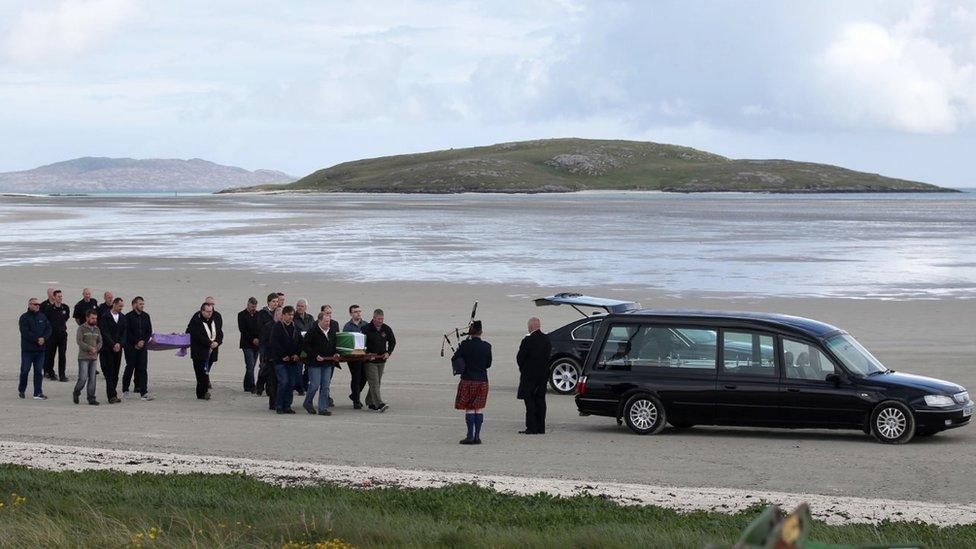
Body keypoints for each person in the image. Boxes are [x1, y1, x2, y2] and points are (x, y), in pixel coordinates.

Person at [453, 321, 491, 445]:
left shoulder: (465, 345)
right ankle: (477, 436)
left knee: (469, 408)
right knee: (478, 408)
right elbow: (488, 364)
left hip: (468, 379)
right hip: (482, 380)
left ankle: (470, 436)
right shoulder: (487, 346)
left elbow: (455, 358)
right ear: (481, 332)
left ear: (471, 332)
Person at [517, 317, 552, 435]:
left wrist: (524, 370)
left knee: (530, 401)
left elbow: (520, 358)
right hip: (543, 376)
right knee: (541, 400)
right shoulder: (547, 339)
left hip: (529, 376)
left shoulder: (527, 340)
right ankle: (541, 427)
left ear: (531, 326)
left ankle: (531, 427)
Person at [303, 310, 340, 415]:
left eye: (329, 321)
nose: (327, 323)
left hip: (328, 362)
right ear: (319, 321)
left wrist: (336, 353)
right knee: (314, 385)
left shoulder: (332, 331)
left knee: (326, 386)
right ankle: (307, 402)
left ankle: (322, 408)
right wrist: (315, 356)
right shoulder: (312, 331)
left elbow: (334, 346)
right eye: (325, 321)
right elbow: (305, 345)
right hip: (315, 363)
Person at [270, 305, 302, 414]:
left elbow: (300, 342)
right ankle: (279, 405)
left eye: (292, 315)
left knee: (291, 383)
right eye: (289, 315)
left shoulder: (295, 327)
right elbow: (274, 343)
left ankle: (287, 406)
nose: (291, 317)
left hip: (293, 361)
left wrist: (297, 354)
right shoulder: (277, 327)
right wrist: (283, 355)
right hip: (280, 361)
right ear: (283, 315)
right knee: (283, 381)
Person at [362, 308, 395, 413]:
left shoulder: (386, 329)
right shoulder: (366, 329)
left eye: (382, 319)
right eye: (379, 319)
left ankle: (370, 401)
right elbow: (361, 344)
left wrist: (388, 352)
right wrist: (367, 354)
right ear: (374, 318)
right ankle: (379, 404)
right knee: (374, 382)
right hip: (370, 361)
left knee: (377, 382)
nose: (380, 321)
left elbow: (393, 342)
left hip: (382, 360)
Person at [187, 302, 222, 400]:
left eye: (211, 311)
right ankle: (202, 393)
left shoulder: (214, 320)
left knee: (206, 372)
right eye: (207, 312)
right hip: (199, 352)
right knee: (200, 373)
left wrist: (217, 342)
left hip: (211, 351)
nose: (209, 313)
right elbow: (197, 335)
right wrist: (209, 343)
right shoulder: (196, 320)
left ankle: (204, 391)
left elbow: (220, 332)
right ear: (202, 311)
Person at [18, 298, 51, 400]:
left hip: (40, 351)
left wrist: (44, 338)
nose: (37, 306)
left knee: (38, 372)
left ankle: (37, 393)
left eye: (38, 304)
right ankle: (22, 390)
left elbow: (48, 329)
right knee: (25, 370)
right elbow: (25, 332)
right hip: (28, 350)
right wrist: (37, 339)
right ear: (30, 305)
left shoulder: (42, 316)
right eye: (35, 304)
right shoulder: (24, 318)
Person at [123, 296, 154, 401]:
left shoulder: (146, 316)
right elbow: (127, 332)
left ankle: (143, 392)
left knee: (143, 369)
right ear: (134, 304)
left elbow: (149, 331)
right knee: (130, 367)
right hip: (130, 347)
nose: (142, 306)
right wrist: (136, 342)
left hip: (143, 347)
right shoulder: (127, 316)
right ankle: (125, 389)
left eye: (143, 304)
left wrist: (143, 341)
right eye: (140, 304)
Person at [98, 297, 127, 404]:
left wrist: (120, 344)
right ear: (114, 304)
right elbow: (104, 332)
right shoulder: (105, 316)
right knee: (109, 373)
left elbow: (124, 333)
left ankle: (113, 393)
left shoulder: (123, 317)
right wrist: (113, 344)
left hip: (118, 349)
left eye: (122, 306)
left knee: (115, 373)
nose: (121, 308)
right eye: (120, 306)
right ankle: (111, 396)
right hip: (107, 349)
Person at [343, 304, 369, 409]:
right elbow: (344, 341)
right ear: (351, 313)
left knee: (365, 377)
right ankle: (356, 401)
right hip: (352, 357)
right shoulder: (347, 326)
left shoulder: (366, 325)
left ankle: (354, 395)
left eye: (359, 311)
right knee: (356, 377)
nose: (358, 313)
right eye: (355, 311)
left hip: (363, 355)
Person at [42, 289, 71, 382]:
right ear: (54, 297)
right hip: (52, 336)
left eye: (61, 296)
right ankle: (51, 373)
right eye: (58, 296)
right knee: (51, 355)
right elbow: (46, 321)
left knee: (62, 355)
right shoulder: (49, 309)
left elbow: (66, 318)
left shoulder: (65, 308)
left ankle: (62, 375)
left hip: (62, 335)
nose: (60, 298)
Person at [74, 309, 102, 405]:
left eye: (95, 318)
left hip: (94, 357)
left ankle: (91, 398)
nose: (94, 320)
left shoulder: (97, 329)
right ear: (87, 318)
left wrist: (96, 349)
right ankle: (76, 392)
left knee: (92, 378)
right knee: (83, 378)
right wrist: (89, 348)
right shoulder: (81, 328)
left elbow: (100, 342)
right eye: (92, 318)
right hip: (83, 357)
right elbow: (79, 341)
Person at [254, 293, 278, 397]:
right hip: (264, 344)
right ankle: (259, 387)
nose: (275, 303)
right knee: (264, 366)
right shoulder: (262, 313)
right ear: (268, 302)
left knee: (273, 368)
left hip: (274, 345)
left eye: (277, 301)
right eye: (273, 301)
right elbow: (259, 328)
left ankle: (269, 389)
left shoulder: (278, 312)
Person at [259, 306, 283, 410]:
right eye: (280, 315)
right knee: (272, 382)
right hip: (271, 358)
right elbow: (263, 343)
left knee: (281, 381)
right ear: (276, 315)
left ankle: (280, 401)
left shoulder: (283, 326)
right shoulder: (268, 326)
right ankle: (273, 403)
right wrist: (265, 357)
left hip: (282, 358)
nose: (281, 317)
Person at [237, 297, 261, 393]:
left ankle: (246, 385)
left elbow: (261, 327)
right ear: (248, 304)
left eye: (255, 306)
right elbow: (243, 330)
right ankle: (252, 386)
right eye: (252, 306)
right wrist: (252, 339)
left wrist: (259, 338)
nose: (253, 308)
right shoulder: (241, 315)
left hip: (257, 344)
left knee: (252, 365)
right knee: (250, 364)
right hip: (246, 344)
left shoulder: (258, 314)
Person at [292, 299, 314, 395]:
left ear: (306, 307)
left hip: (308, 346)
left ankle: (304, 384)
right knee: (298, 367)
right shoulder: (293, 317)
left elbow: (313, 329)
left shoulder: (310, 318)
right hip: (298, 346)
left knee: (309, 367)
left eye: (302, 306)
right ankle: (299, 388)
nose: (300, 308)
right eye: (298, 306)